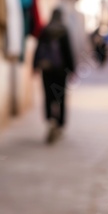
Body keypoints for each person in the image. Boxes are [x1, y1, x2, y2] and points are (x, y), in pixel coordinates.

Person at [33, 8, 75, 144]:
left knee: (48, 96)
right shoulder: (64, 30)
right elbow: (68, 52)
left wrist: (35, 66)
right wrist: (72, 69)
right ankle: (59, 125)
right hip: (61, 71)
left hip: (47, 70)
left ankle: (50, 119)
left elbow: (38, 49)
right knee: (60, 97)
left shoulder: (45, 30)